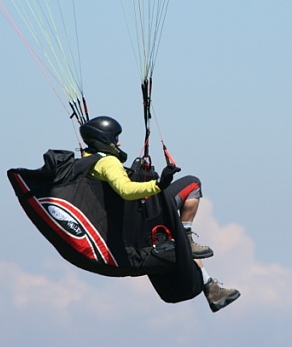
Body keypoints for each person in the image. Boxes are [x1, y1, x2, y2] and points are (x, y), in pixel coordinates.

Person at [79, 116, 240, 312]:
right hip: (143, 212)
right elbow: (125, 190)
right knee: (192, 184)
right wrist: (159, 184)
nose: (119, 143)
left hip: (128, 222)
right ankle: (187, 236)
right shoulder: (108, 162)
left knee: (175, 234)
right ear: (104, 140)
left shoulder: (86, 162)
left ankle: (210, 285)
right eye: (115, 138)